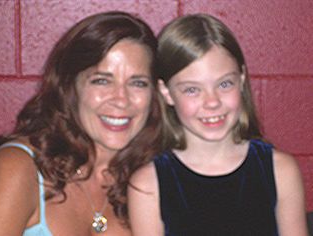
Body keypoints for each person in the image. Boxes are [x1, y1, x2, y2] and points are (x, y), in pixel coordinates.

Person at [0, 11, 162, 235]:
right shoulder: (18, 167)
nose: (121, 99)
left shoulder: (152, 178)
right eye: (101, 81)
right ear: (70, 88)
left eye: (137, 83)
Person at [128, 13, 308, 236]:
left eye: (224, 84)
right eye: (192, 89)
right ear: (166, 92)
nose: (212, 102)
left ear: (241, 80)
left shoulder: (280, 170)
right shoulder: (148, 185)